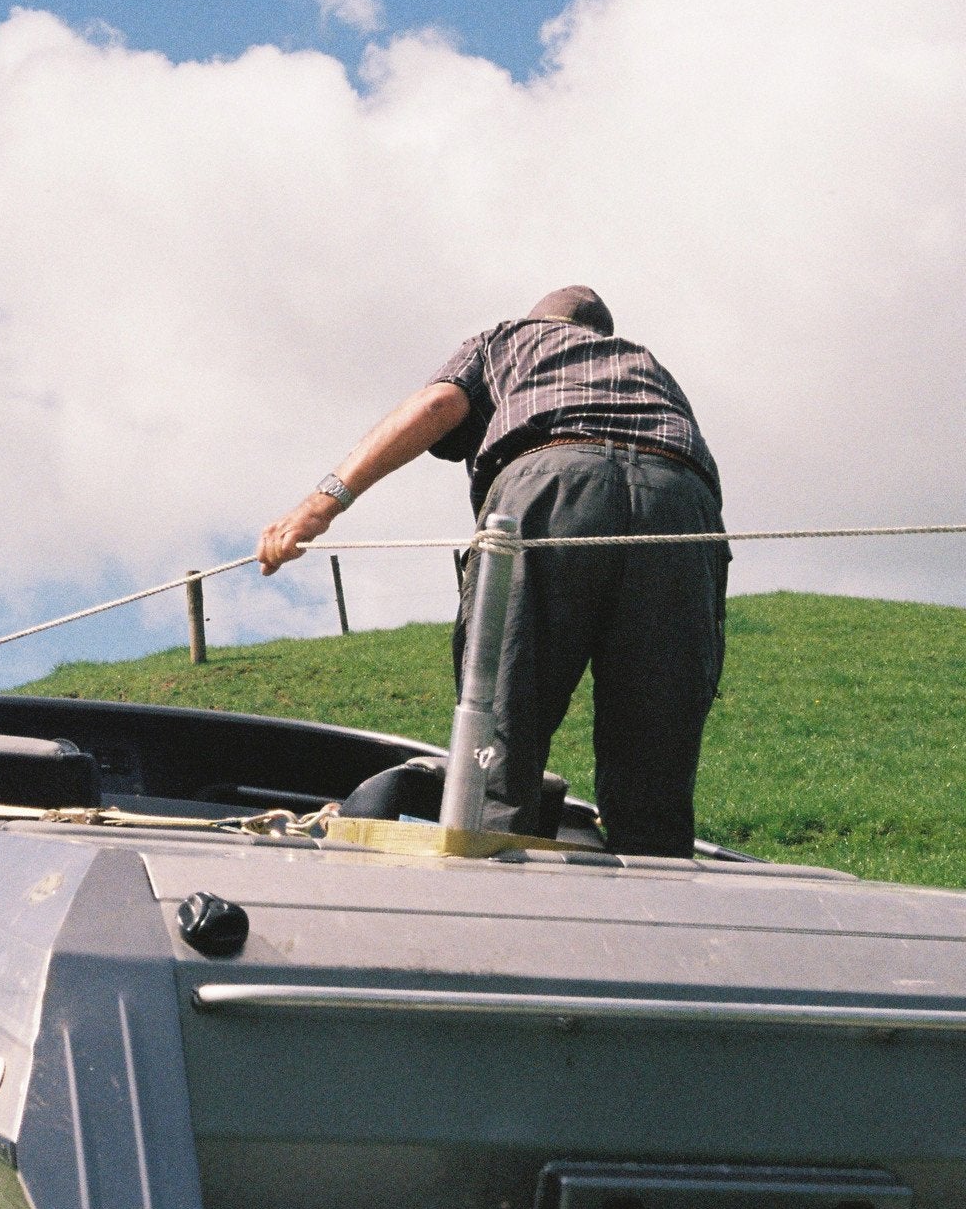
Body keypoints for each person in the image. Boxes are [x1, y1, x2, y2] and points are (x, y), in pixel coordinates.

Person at [256, 286, 727, 857]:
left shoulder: (504, 339)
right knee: (658, 751)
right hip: (682, 508)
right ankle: (659, 896)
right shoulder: (645, 362)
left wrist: (320, 504)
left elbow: (436, 408)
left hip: (554, 485)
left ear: (539, 319)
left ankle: (491, 882)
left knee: (503, 727)